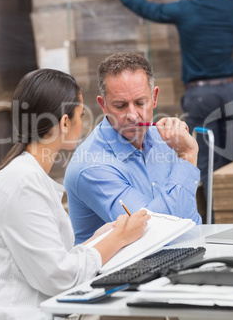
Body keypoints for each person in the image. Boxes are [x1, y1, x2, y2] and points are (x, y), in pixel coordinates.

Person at [0, 68, 188, 320]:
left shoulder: (25, 177)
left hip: (47, 312)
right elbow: (59, 277)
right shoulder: (21, 184)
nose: (84, 122)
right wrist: (118, 238)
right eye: (81, 114)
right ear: (65, 123)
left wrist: (99, 237)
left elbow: (50, 259)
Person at [100, 0, 233, 202]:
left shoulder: (187, 9)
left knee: (205, 161)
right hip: (231, 92)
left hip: (201, 96)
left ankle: (212, 223)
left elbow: (148, 9)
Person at [65, 52, 201, 245]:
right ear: (103, 106)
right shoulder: (91, 166)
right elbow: (153, 232)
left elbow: (191, 220)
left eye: (140, 103)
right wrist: (187, 157)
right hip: (121, 270)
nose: (132, 115)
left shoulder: (165, 139)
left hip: (177, 253)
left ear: (154, 99)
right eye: (120, 105)